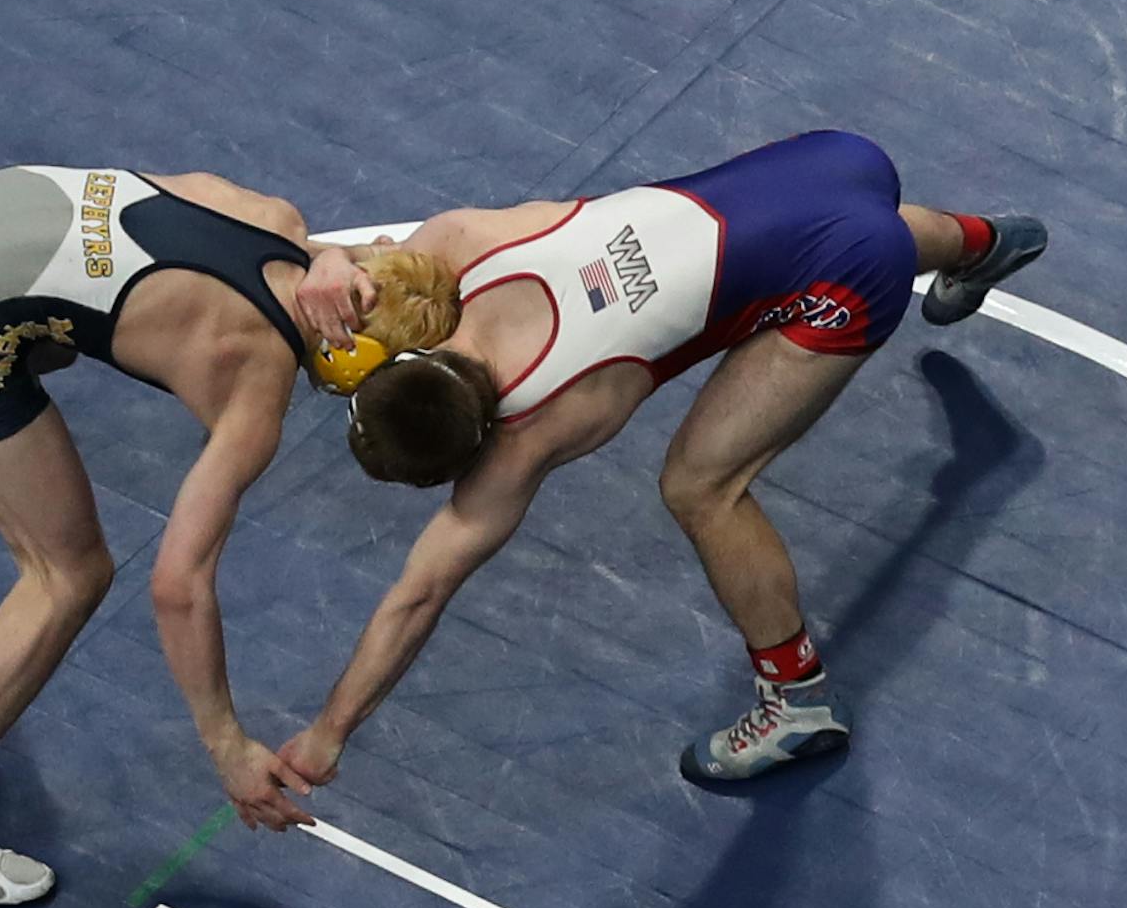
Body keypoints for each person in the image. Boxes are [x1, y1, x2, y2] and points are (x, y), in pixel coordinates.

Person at [275, 130, 1045, 792]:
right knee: (842, 229)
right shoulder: (456, 244)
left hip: (845, 268)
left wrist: (329, 732)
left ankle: (798, 702)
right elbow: (327, 257)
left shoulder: (537, 427)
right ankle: (983, 240)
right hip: (826, 163)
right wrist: (331, 262)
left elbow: (421, 592)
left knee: (701, 486)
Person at [0, 163, 454, 903]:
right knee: (68, 576)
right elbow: (178, 585)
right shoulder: (253, 381)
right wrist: (227, 743)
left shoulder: (276, 214)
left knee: (63, 313)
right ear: (349, 354)